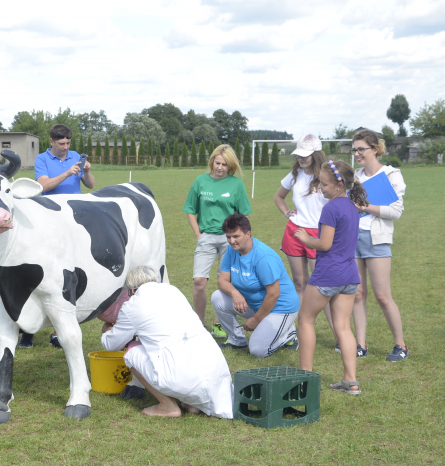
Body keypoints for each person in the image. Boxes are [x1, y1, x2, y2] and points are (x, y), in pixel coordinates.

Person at [101, 266, 234, 418]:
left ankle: (167, 406)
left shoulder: (132, 305)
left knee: (131, 351)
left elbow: (112, 345)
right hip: (213, 364)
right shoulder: (173, 291)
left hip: (181, 372)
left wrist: (107, 331)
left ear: (131, 290)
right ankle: (193, 404)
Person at [295, 160, 367, 395]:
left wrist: (306, 239)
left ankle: (305, 378)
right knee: (343, 327)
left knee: (305, 319)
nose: (320, 188)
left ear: (339, 185)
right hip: (349, 275)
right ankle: (351, 381)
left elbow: (325, 244)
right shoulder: (353, 207)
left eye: (324, 184)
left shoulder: (331, 208)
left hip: (328, 274)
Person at [27, 123, 96, 348]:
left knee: (71, 271)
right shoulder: (42, 159)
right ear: (51, 142)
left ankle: (60, 330)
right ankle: (28, 329)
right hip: (49, 219)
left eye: (68, 143)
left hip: (74, 219)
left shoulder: (75, 156)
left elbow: (90, 185)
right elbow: (43, 187)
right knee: (45, 272)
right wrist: (67, 172)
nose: (65, 147)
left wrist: (86, 171)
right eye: (61, 143)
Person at [274, 134, 339, 348]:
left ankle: (339, 336)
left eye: (306, 155)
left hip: (319, 234)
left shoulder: (326, 175)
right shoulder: (294, 174)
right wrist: (286, 213)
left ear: (316, 154)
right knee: (299, 284)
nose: (301, 159)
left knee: (322, 286)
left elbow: (340, 200)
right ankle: (297, 332)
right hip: (294, 232)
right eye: (299, 155)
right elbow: (278, 196)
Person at [183, 144, 252, 340]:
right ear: (212, 161)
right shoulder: (200, 181)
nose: (220, 167)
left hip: (229, 239)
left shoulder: (236, 184)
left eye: (224, 164)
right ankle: (198, 323)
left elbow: (244, 214)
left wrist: (236, 238)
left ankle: (218, 324)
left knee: (225, 281)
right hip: (206, 237)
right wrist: (198, 234)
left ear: (230, 166)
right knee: (199, 281)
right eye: (217, 163)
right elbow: (190, 210)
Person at [351, 129, 408, 362]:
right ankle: (360, 345)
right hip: (353, 240)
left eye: (361, 149)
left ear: (375, 149)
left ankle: (400, 345)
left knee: (383, 296)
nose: (357, 154)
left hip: (377, 240)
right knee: (357, 294)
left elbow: (395, 211)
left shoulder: (391, 175)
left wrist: (365, 206)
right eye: (354, 150)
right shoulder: (355, 175)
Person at [211, 214, 300, 357]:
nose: (232, 241)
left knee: (258, 350)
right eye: (228, 237)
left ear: (248, 234)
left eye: (236, 236)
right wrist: (235, 293)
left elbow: (274, 293)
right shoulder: (232, 250)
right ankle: (236, 340)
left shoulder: (263, 257)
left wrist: (256, 320)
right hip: (254, 304)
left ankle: (288, 333)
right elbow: (222, 280)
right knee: (217, 297)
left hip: (280, 308)